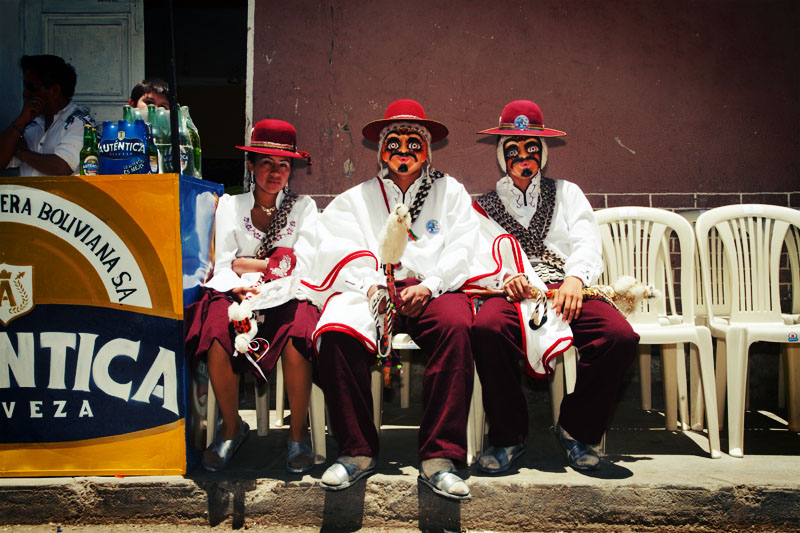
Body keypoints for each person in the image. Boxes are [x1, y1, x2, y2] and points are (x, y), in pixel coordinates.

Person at [309, 99, 478, 500]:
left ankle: (439, 458)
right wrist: (371, 287)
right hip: (374, 291)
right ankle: (356, 452)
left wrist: (432, 285)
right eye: (395, 143)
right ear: (381, 149)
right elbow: (338, 246)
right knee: (336, 333)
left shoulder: (449, 191)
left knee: (458, 327)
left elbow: (464, 246)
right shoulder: (357, 198)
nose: (404, 152)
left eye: (413, 142)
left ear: (428, 149)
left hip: (430, 290)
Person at [470, 100, 639, 472]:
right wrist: (503, 277)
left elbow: (586, 240)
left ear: (542, 153)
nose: (523, 157)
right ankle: (508, 437)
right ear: (502, 154)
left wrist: (577, 279)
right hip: (516, 292)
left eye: (531, 147)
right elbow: (478, 253)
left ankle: (576, 430)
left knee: (618, 337)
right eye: (513, 148)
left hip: (566, 288)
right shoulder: (483, 207)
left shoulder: (568, 193)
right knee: (486, 328)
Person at [184, 119, 319, 473]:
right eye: (266, 163)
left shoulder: (303, 208)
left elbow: (302, 264)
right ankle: (231, 428)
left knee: (299, 332)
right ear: (251, 166)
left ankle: (297, 436)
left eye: (284, 165)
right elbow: (226, 263)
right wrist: (240, 278)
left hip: (287, 294)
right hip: (238, 293)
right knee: (215, 328)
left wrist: (252, 265)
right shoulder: (231, 204)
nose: (275, 172)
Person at [1, 55, 95, 177]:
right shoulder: (31, 121)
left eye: (32, 87)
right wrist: (20, 122)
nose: (25, 93)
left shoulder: (80, 123)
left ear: (55, 90)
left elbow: (61, 167)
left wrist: (22, 152)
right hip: (28, 196)